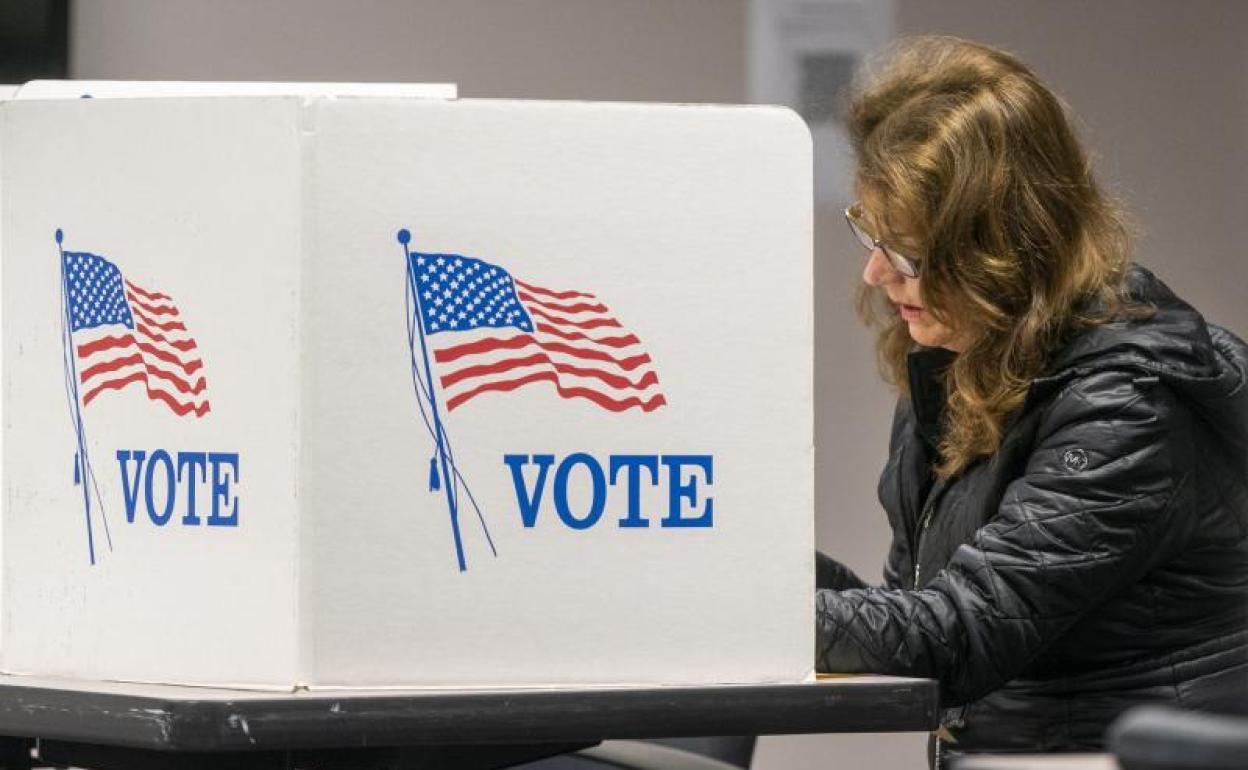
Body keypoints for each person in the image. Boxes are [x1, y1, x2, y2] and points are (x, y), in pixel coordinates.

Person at [815, 36, 1248, 767]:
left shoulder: (1129, 404)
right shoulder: (960, 365)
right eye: (873, 233)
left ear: (1002, 248)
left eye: (910, 251)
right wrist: (751, 570)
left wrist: (744, 607)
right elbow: (916, 608)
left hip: (1110, 758)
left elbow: (956, 637)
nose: (877, 271)